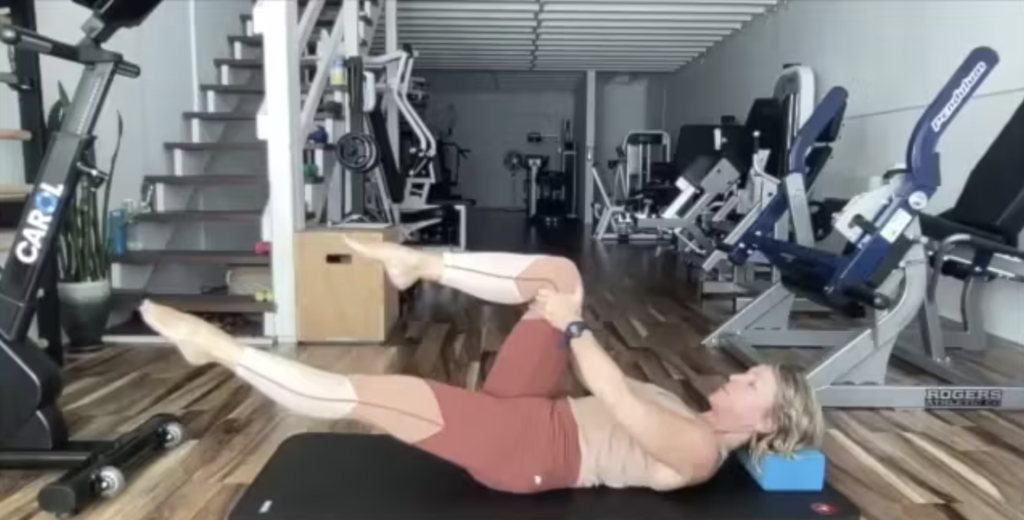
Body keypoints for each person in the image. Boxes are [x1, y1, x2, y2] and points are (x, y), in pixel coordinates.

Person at [138, 238, 824, 494]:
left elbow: (614, 396)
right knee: (558, 275)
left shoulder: (700, 449)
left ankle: (222, 350)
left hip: (529, 452)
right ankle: (420, 263)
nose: (735, 376)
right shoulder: (701, 418)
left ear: (766, 423)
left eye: (750, 384)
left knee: (387, 395)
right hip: (532, 409)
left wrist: (574, 329)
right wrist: (565, 320)